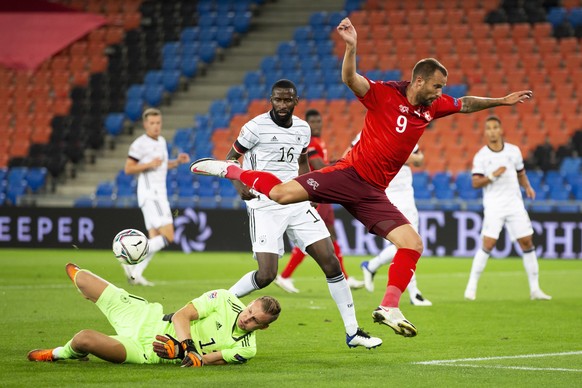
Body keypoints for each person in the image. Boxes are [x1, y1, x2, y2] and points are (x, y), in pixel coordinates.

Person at [190, 18, 533, 338]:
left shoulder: (432, 106)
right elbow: (351, 80)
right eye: (436, 86)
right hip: (348, 175)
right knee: (279, 194)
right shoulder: (384, 94)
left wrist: (501, 101)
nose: (440, 92)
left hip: (373, 193)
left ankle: (389, 306)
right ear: (419, 80)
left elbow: (465, 103)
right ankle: (229, 169)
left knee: (413, 244)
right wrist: (352, 47)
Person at [209, 79, 380, 349]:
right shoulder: (254, 127)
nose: (282, 104)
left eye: (287, 100)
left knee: (331, 263)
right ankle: (215, 304)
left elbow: (302, 162)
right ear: (271, 100)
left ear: (296, 101)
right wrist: (239, 185)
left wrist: (308, 192)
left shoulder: (302, 129)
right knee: (266, 276)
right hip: (264, 204)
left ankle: (353, 331)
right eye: (277, 99)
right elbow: (230, 160)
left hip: (297, 203)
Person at [27, 263, 281, 366]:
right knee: (81, 278)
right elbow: (182, 316)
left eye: (255, 320)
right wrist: (188, 346)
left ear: (263, 327)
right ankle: (98, 295)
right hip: (145, 317)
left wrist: (182, 353)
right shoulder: (225, 298)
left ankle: (62, 353)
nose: (247, 318)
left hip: (147, 350)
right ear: (249, 304)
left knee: (83, 339)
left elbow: (205, 360)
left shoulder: (247, 349)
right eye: (250, 311)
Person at [274, 109, 364, 293]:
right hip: (316, 192)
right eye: (313, 122)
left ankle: (345, 277)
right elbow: (318, 166)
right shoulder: (310, 143)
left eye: (318, 121)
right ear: (307, 124)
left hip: (325, 193)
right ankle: (284, 275)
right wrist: (342, 163)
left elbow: (323, 164)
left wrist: (334, 163)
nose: (317, 124)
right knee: (315, 236)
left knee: (331, 234)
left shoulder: (320, 141)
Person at [464, 115, 551, 301]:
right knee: (488, 244)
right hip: (494, 205)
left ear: (501, 130)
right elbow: (475, 182)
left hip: (514, 203)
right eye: (488, 128)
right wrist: (493, 176)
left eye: (495, 127)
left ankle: (535, 289)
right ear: (485, 132)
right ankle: (471, 288)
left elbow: (521, 173)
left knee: (527, 241)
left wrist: (527, 186)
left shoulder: (514, 151)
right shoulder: (482, 156)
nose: (492, 131)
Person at [356, 137, 432, 306]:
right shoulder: (368, 133)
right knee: (408, 244)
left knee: (410, 245)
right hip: (388, 195)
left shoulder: (407, 130)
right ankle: (413, 293)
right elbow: (351, 155)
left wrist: (397, 156)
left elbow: (419, 160)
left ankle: (372, 266)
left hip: (407, 195)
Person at [123, 108, 190, 286]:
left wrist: (176, 162)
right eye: (152, 123)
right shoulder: (139, 144)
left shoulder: (161, 141)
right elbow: (129, 168)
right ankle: (128, 258)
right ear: (145, 125)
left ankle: (136, 274)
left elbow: (160, 166)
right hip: (152, 194)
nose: (155, 126)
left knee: (153, 237)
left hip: (156, 194)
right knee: (168, 236)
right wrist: (148, 164)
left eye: (158, 123)